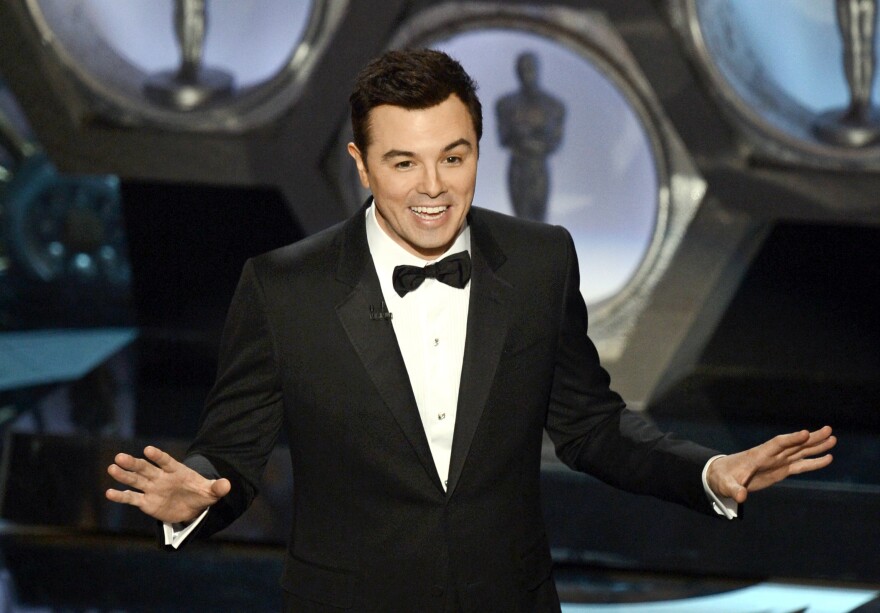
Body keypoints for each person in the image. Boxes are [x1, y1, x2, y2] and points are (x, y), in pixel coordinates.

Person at [106, 48, 836, 612]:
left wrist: (708, 472)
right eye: (404, 162)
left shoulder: (540, 259)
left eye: (454, 157)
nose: (433, 187)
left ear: (479, 150)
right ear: (361, 165)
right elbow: (232, 449)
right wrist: (196, 490)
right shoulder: (283, 285)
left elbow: (591, 426)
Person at [496, 51, 565, 222]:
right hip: (518, 168)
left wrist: (528, 140)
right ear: (517, 72)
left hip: (538, 169)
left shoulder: (553, 106)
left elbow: (554, 142)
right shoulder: (505, 104)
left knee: (539, 219)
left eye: (530, 68)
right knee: (521, 219)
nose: (527, 73)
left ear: (537, 70)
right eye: (522, 69)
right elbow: (504, 138)